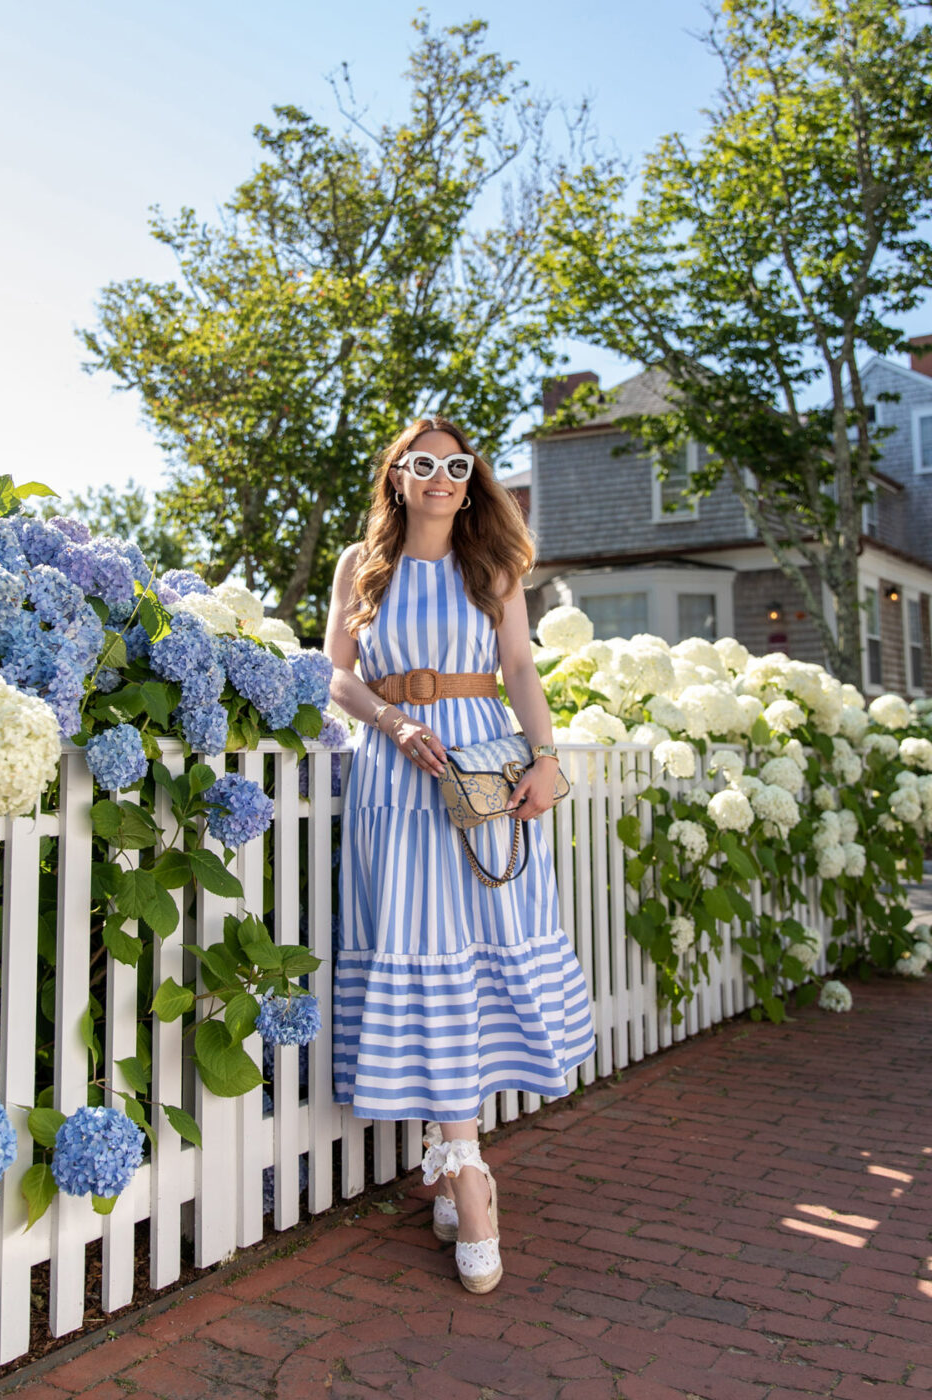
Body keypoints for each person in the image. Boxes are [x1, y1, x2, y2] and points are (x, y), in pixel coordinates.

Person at [323, 415, 597, 1294]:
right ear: (397, 476)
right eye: (422, 464)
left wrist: (546, 759)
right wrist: (393, 720)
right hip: (396, 771)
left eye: (456, 463)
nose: (441, 476)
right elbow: (336, 674)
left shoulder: (495, 567)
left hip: (484, 767)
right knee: (428, 954)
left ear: (472, 476)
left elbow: (519, 666)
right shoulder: (360, 565)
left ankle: (454, 1157)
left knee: (475, 958)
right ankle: (468, 1177)